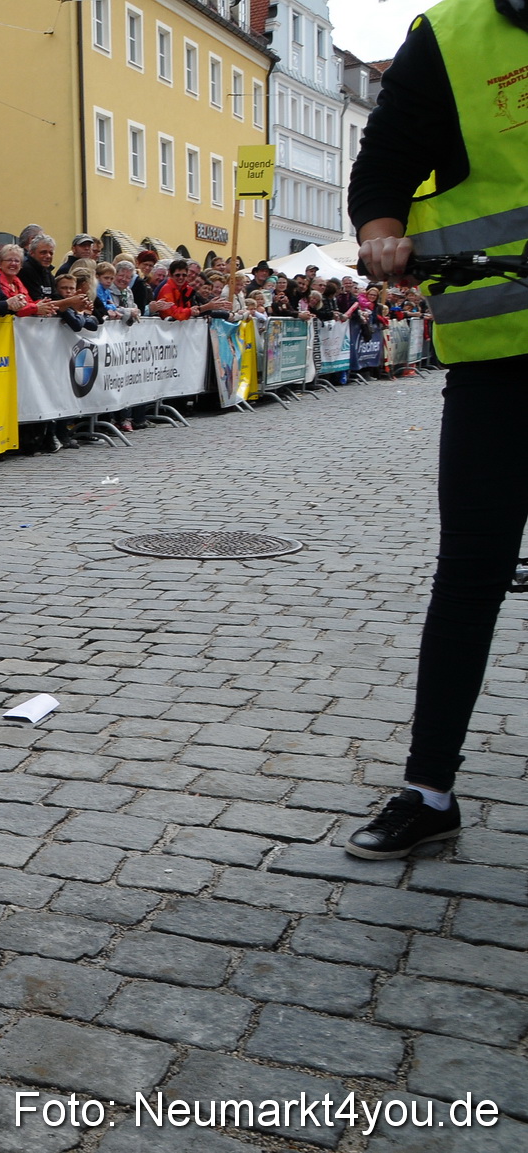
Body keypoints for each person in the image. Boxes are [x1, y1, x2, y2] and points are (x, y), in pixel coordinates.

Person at [343, 0, 528, 858]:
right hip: (497, 360)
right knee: (469, 575)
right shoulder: (450, 37)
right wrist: (380, 230)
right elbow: (383, 163)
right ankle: (428, 790)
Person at [18, 234, 57, 302]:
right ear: (32, 253)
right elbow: (37, 300)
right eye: (43, 252)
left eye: (51, 253)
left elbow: (55, 296)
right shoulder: (26, 270)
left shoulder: (47, 272)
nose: (48, 256)